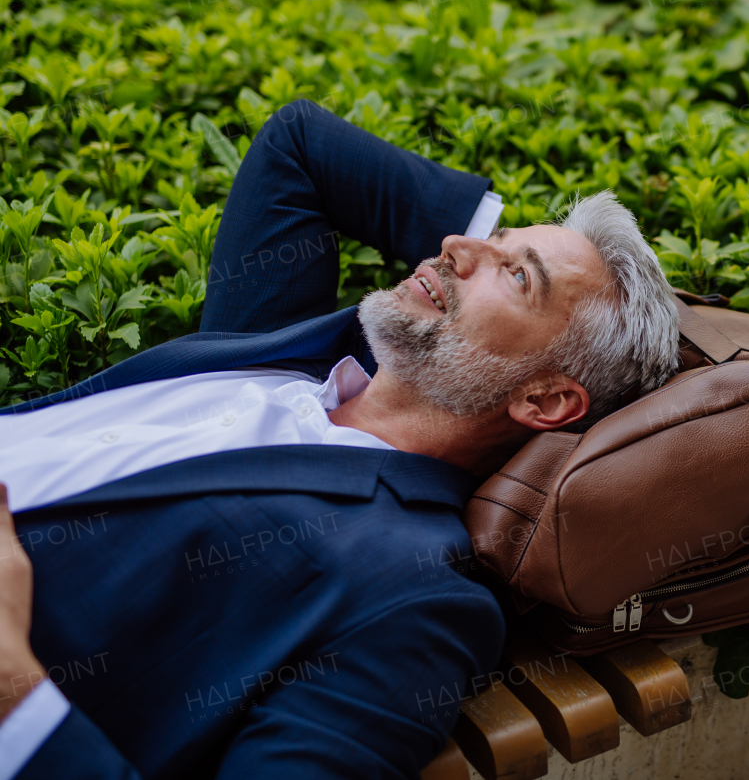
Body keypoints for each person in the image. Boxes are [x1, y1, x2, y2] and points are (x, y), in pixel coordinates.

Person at [0, 99, 681, 779]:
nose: (454, 247)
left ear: (544, 398)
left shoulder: (417, 599)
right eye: (490, 242)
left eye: (517, 274)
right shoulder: (279, 344)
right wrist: (475, 274)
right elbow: (300, 145)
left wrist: (16, 694)